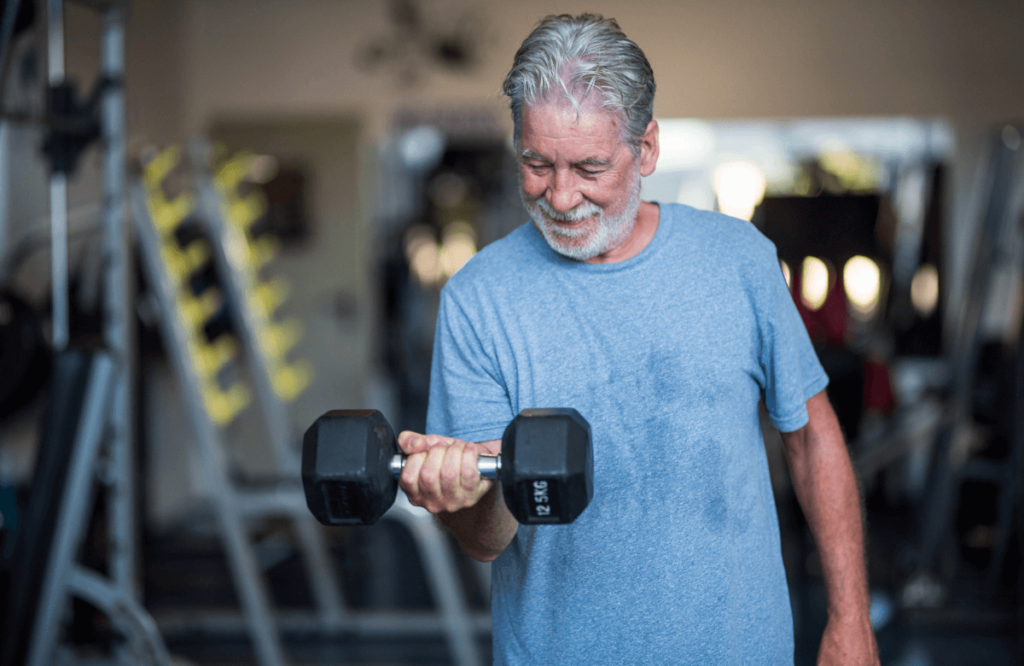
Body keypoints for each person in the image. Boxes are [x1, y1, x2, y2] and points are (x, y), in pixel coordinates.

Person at [396, 13, 879, 665]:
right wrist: (459, 499)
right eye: (536, 163)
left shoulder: (737, 260)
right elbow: (489, 537)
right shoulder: (479, 300)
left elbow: (811, 433)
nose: (560, 196)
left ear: (646, 149)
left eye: (589, 167)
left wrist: (850, 622)